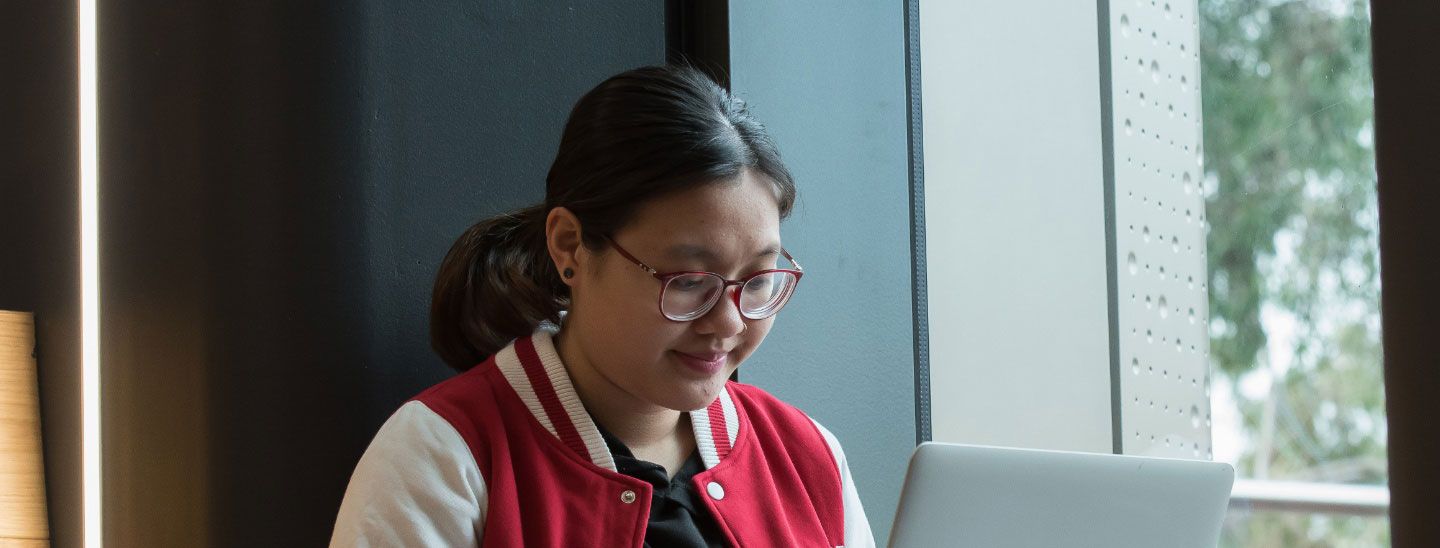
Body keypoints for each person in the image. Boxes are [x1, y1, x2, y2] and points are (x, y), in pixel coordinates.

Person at [329, 65, 874, 548]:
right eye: (687, 280)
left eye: (757, 279)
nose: (728, 322)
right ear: (569, 246)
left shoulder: (806, 454)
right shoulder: (444, 457)